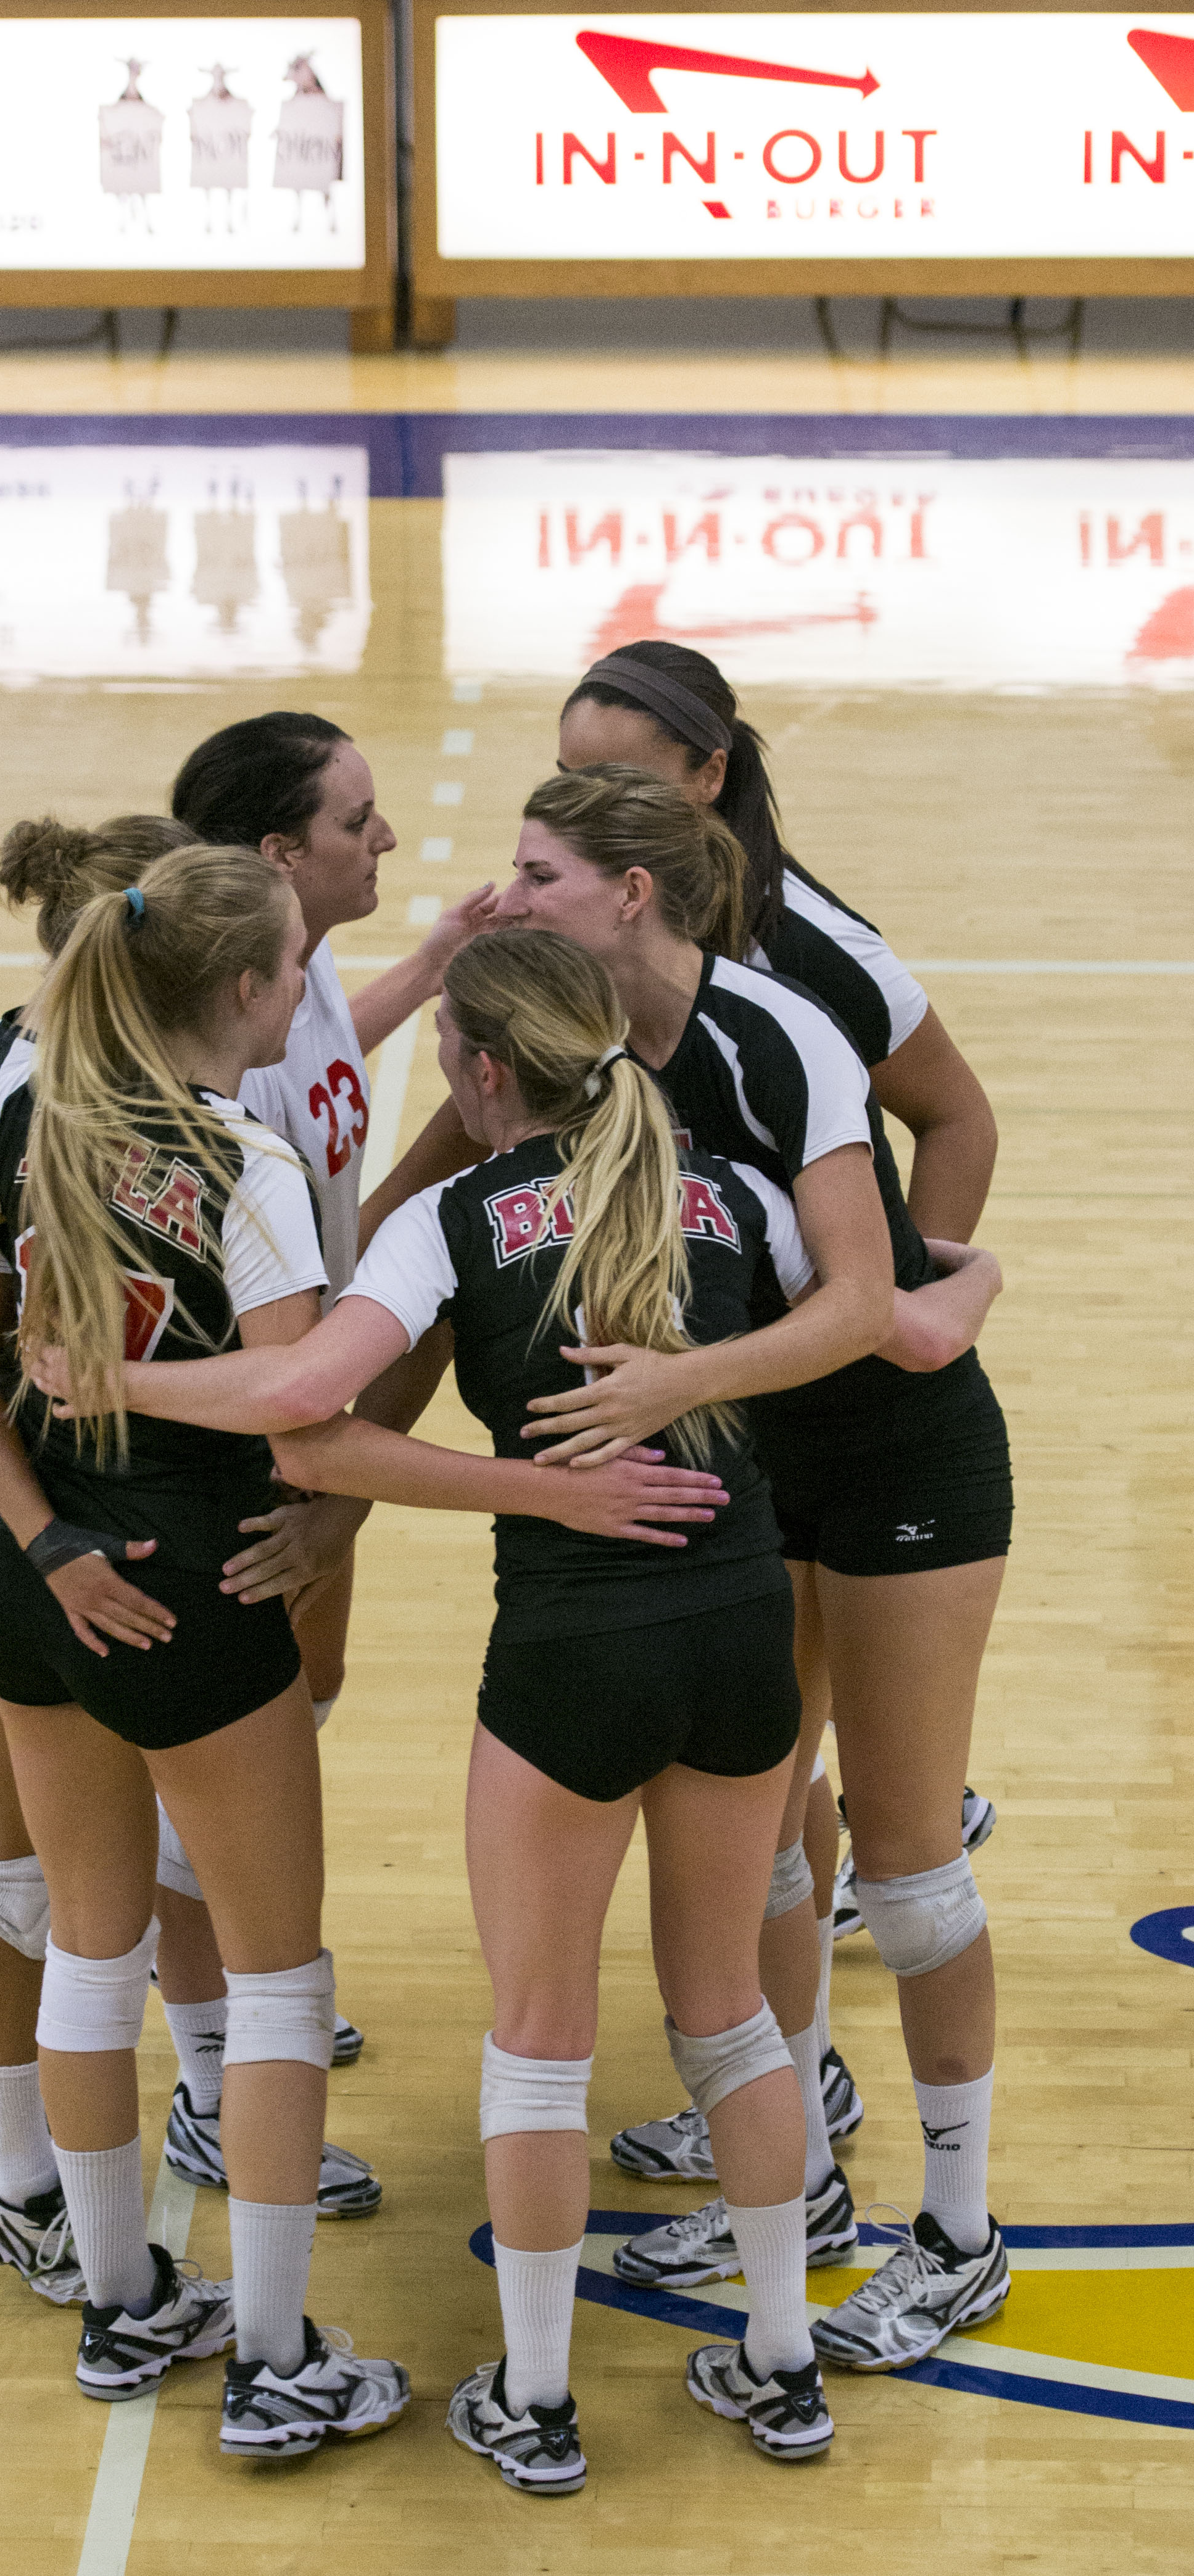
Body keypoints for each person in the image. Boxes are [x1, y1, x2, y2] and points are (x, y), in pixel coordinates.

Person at [31, 926, 934, 2481]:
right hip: (737, 1635)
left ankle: (537, 2402)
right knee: (731, 2014)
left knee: (541, 2040)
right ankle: (784, 2368)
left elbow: (305, 1420)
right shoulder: (737, 1191)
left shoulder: (447, 1221)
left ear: (479, 1069)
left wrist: (119, 1384)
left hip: (573, 1655)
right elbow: (888, 1326)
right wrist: (968, 1279)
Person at [0, 844, 418, 2451]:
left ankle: (119, 2305)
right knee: (280, 1982)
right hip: (189, 1585)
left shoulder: (26, 1108)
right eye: (298, 955)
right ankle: (281, 2352)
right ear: (245, 990)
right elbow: (301, 1410)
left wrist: (51, 1398)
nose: (311, 979)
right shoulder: (244, 1164)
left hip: (42, 1571)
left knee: (88, 1949)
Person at [488, 769, 1011, 2373]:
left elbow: (863, 1303)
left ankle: (962, 2235)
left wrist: (674, 1387)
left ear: (631, 893)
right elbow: (445, 1212)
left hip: (898, 1459)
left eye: (537, 871)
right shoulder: (566, 1043)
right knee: (767, 1830)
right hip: (747, 1471)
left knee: (909, 1870)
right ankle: (800, 2174)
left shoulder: (778, 1037)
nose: (507, 897)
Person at [555, 642, 1000, 2054]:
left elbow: (962, 1117)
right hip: (732, 1434)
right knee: (759, 1798)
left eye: (619, 781)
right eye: (569, 782)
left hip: (844, 1424)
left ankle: (933, 2212)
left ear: (709, 775)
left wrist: (899, 1300)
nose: (586, 809)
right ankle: (799, 2131)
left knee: (886, 1848)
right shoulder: (578, 945)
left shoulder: (811, 953)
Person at [160, 711, 494, 2117]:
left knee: (301, 1698)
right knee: (221, 1748)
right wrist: (326, 1471)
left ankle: (235, 2004)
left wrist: (419, 974)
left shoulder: (281, 964)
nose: (389, 838)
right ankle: (209, 2062)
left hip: (303, 1397)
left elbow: (317, 1075)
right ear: (276, 853)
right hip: (245, 1421)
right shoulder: (219, 1019)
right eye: (360, 821)